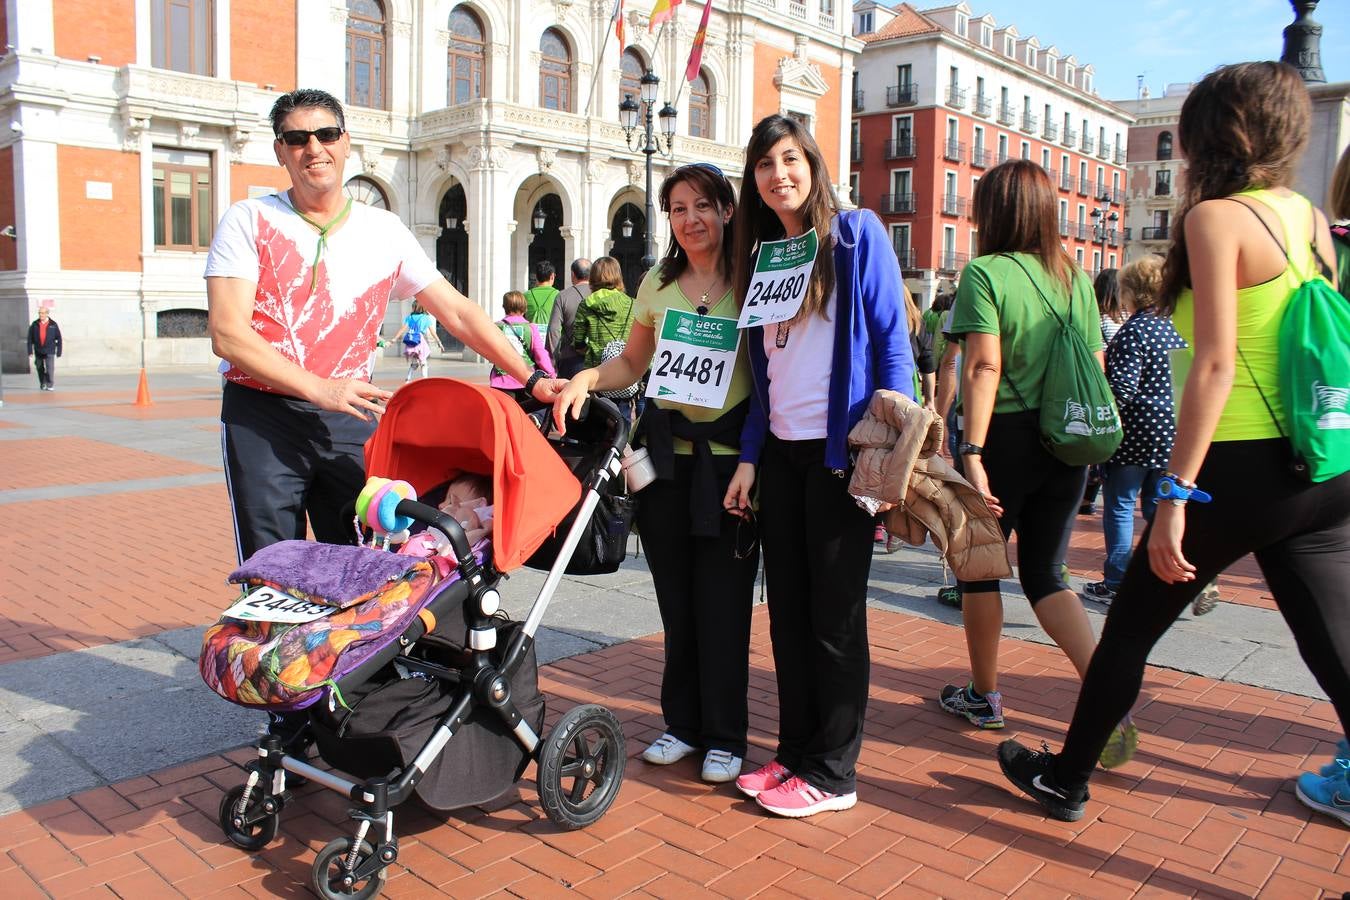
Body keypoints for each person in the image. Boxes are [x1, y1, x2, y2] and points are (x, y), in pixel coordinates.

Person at [996, 62, 1350, 825]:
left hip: (1241, 465)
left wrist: (1176, 494)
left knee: (1128, 631)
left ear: (1212, 133)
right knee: (1333, 647)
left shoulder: (1215, 219)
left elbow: (1216, 364)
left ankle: (1066, 779)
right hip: (1321, 465)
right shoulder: (1308, 217)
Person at [205, 88, 564, 566]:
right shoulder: (248, 219)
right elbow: (227, 333)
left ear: (345, 142)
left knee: (360, 560)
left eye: (326, 134)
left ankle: (345, 644)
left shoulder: (384, 229)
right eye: (296, 138)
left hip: (350, 419)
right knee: (273, 565)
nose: (314, 148)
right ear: (280, 151)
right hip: (262, 417)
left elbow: (457, 312)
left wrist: (533, 378)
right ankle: (281, 643)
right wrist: (319, 388)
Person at [720, 114, 916, 818]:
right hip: (783, 456)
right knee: (789, 618)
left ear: (813, 163)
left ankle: (834, 772)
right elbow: (763, 373)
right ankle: (794, 755)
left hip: (841, 457)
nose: (779, 174)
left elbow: (893, 344)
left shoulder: (857, 235)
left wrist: (895, 454)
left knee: (834, 619)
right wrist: (751, 458)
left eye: (790, 158)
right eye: (765, 164)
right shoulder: (766, 257)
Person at [555, 163, 757, 785]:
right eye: (677, 209)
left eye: (702, 205)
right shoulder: (657, 284)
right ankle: (683, 724)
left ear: (727, 209)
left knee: (724, 606)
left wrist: (756, 457)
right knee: (676, 602)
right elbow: (633, 365)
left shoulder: (753, 280)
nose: (690, 219)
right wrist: (589, 376)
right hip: (666, 464)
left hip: (729, 470)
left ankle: (726, 734)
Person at [939, 159, 1136, 765]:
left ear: (994, 212)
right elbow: (1094, 367)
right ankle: (1110, 704)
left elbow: (982, 366)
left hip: (1007, 436)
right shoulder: (1075, 277)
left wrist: (971, 449)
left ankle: (985, 695)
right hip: (1068, 436)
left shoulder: (986, 274)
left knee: (979, 569)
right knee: (1048, 575)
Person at [1080, 256, 1187, 606]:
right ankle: (1163, 574)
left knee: (1121, 505)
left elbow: (1122, 390)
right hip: (1172, 433)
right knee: (1158, 506)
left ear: (1132, 291)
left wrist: (1105, 425)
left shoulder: (1134, 331)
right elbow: (1184, 383)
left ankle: (1117, 580)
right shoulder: (1176, 328)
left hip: (1135, 434)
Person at [490, 290, 555, 403]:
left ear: (504, 307)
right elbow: (540, 355)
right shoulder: (530, 328)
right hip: (526, 379)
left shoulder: (496, 327)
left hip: (501, 380)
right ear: (525, 308)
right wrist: (551, 373)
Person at [572, 257, 635, 369]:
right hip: (625, 370)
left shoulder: (586, 304)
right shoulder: (632, 304)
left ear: (592, 277)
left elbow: (578, 342)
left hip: (596, 370)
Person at [547, 258, 592, 378]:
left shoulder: (562, 296)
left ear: (573, 274)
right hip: (597, 361)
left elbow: (553, 331)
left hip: (570, 360)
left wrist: (554, 361)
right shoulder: (600, 294)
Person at [392, 301, 443, 381]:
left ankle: (408, 378)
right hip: (420, 340)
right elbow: (432, 332)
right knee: (423, 362)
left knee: (414, 363)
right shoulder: (426, 318)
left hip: (411, 341)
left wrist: (394, 339)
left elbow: (403, 329)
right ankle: (425, 379)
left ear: (414, 307)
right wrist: (439, 342)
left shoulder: (410, 317)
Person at [26, 302, 62, 391]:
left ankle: (50, 384)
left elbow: (59, 338)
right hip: (38, 350)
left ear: (47, 314)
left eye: (42, 313)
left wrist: (59, 351)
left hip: (50, 350)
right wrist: (30, 351)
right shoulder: (34, 324)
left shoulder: (53, 324)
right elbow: (30, 339)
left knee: (50, 368)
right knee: (39, 367)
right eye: (39, 313)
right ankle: (43, 383)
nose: (40, 315)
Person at [524, 260, 559, 326]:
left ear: (536, 276)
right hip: (552, 335)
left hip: (532, 335)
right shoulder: (559, 295)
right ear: (552, 276)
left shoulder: (525, 295)